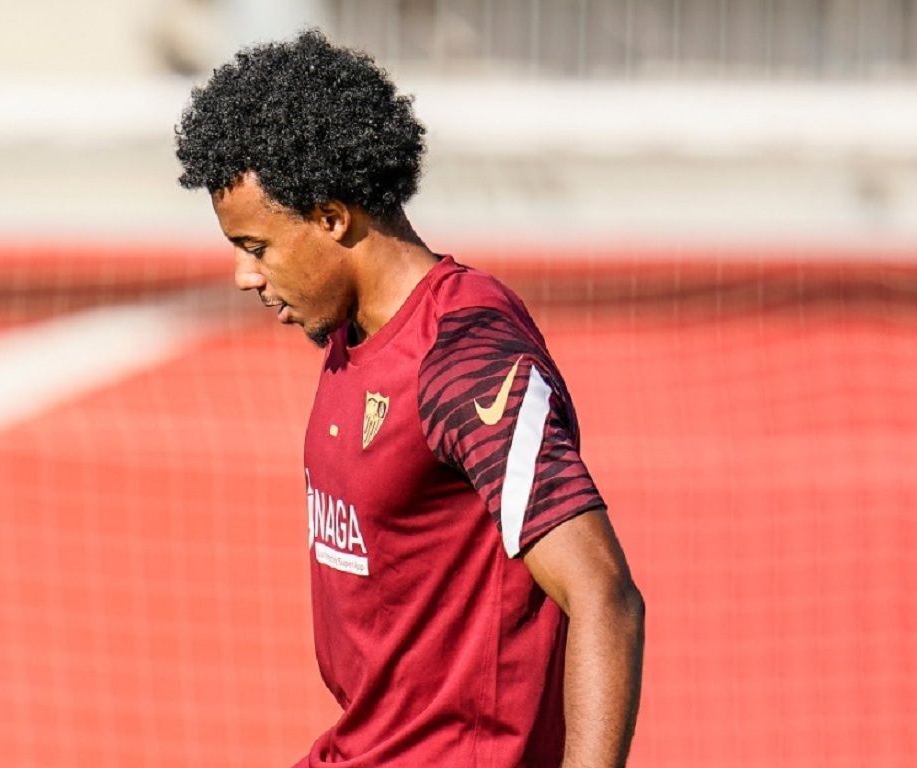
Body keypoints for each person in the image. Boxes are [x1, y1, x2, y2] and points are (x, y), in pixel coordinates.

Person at [175, 29, 644, 768]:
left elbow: (604, 598)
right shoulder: (354, 327)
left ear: (332, 218)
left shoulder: (468, 363)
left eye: (256, 247)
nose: (243, 275)